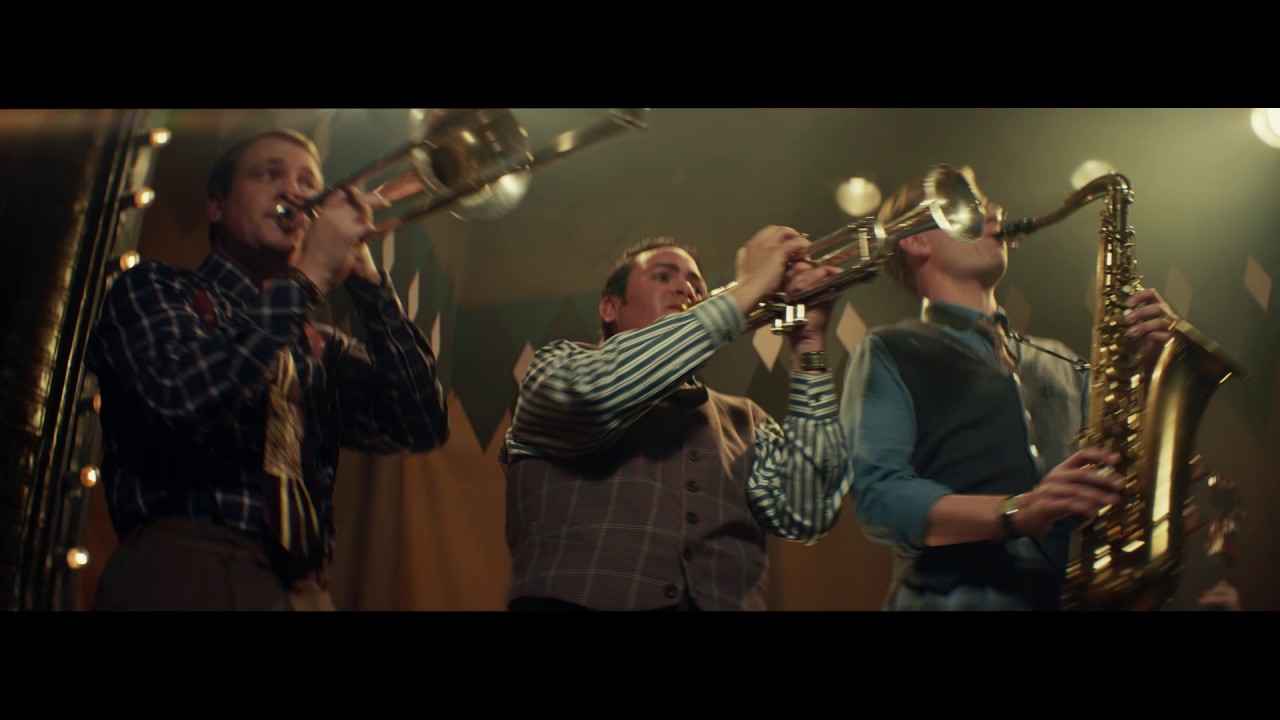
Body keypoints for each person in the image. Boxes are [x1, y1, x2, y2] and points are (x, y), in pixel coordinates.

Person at [85, 128, 450, 610]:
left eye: (307, 181)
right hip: (185, 569)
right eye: (269, 174)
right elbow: (181, 400)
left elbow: (421, 423)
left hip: (304, 588)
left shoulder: (315, 343)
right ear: (216, 206)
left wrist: (370, 286)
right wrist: (311, 275)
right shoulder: (157, 288)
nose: (295, 193)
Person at [840, 166, 1178, 611]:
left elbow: (1127, 475)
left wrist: (1156, 365)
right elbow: (880, 500)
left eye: (989, 204)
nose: (996, 214)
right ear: (915, 240)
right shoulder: (890, 348)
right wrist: (1017, 511)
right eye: (968, 207)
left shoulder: (1062, 359)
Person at [501, 228, 852, 610]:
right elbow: (598, 393)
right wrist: (752, 286)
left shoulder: (747, 418)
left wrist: (809, 343)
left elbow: (807, 513)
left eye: (696, 284)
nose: (687, 290)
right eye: (663, 276)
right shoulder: (557, 366)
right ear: (609, 308)